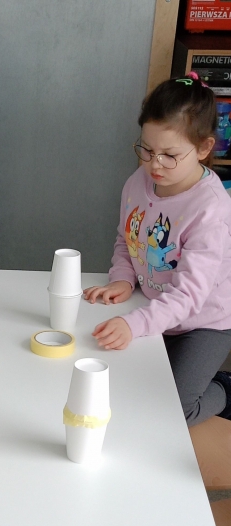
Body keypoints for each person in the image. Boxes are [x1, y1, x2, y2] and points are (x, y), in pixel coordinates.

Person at [84, 73, 231, 426]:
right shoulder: (139, 181)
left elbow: (188, 297)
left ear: (204, 148)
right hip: (156, 305)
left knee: (173, 413)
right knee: (121, 391)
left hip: (205, 321)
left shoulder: (211, 210)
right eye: (147, 150)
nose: (154, 165)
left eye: (170, 155)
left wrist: (134, 324)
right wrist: (123, 278)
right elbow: (127, 238)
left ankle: (225, 389)